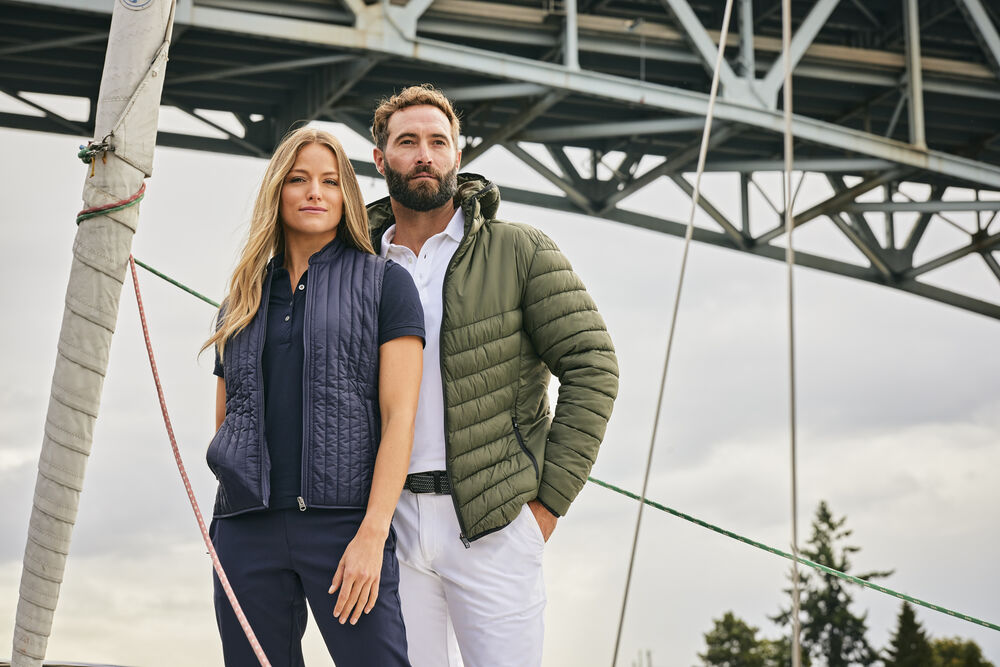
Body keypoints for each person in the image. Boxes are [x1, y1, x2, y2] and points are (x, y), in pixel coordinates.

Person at [367, 84, 620, 667]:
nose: (424, 155)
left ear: (458, 155)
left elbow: (593, 365)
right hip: (389, 526)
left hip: (494, 525)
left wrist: (545, 508)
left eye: (438, 142)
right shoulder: (359, 262)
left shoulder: (520, 250)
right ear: (381, 159)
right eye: (407, 142)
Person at [203, 126, 424, 667]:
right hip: (245, 529)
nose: (314, 193)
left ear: (346, 195)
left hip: (343, 528)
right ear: (277, 191)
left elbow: (400, 418)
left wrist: (372, 533)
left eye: (329, 181)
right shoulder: (241, 298)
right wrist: (229, 525)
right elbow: (227, 419)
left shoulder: (386, 284)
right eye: (298, 179)